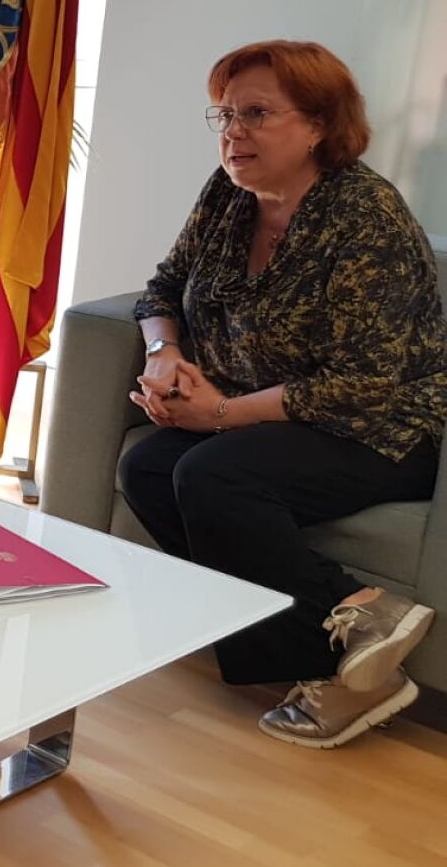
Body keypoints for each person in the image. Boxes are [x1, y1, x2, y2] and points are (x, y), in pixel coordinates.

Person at [120, 39, 444, 749]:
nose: (233, 131)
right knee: (146, 466)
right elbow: (162, 288)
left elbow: (361, 384)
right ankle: (354, 615)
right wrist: (165, 356)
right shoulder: (228, 195)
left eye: (257, 113)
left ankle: (340, 673)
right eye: (225, 114)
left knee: (213, 475)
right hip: (275, 415)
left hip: (385, 429)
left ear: (319, 124)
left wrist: (219, 415)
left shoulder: (365, 218)